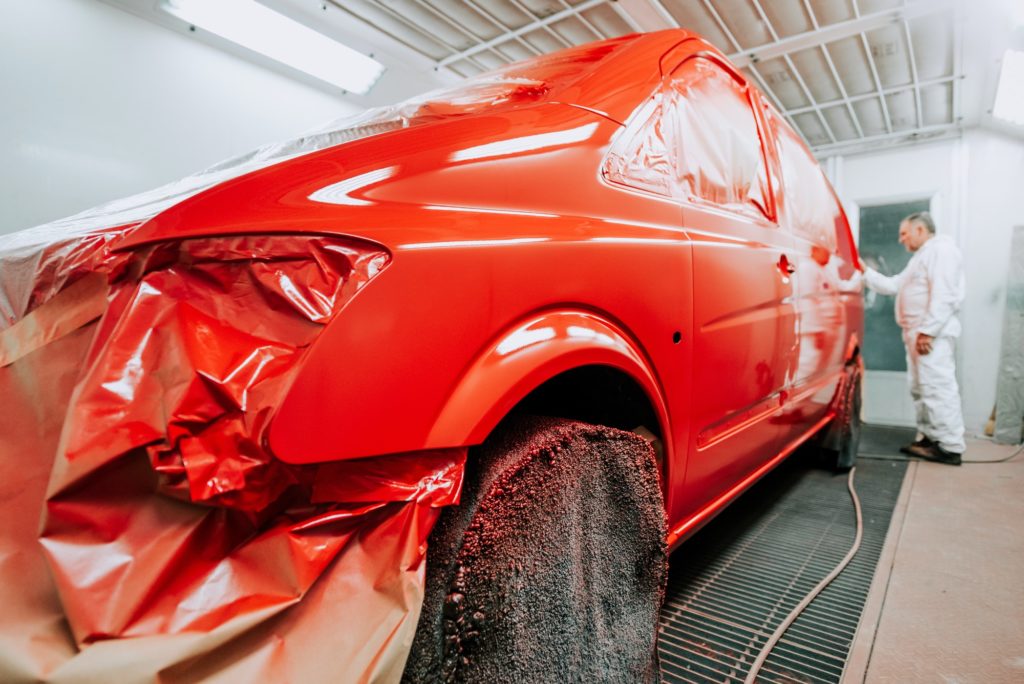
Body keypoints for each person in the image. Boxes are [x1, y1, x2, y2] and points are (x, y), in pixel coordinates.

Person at [863, 211, 966, 465]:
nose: (900, 240)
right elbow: (892, 285)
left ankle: (950, 446)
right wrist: (860, 270)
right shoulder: (921, 258)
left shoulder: (942, 251)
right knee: (921, 389)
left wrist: (928, 331)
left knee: (937, 388)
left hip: (931, 335)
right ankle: (931, 439)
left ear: (920, 230)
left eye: (904, 233)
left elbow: (945, 295)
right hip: (919, 334)